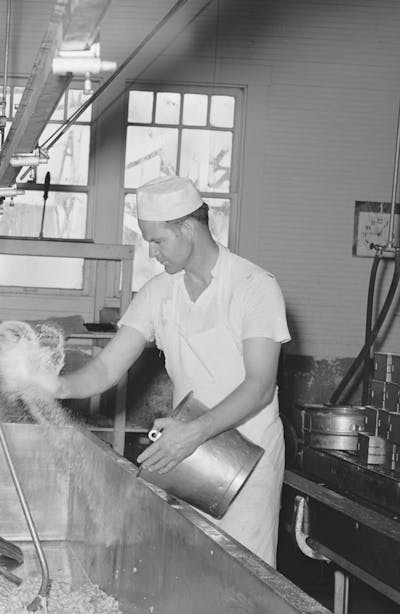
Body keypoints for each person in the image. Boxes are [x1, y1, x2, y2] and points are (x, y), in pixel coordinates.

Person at [21, 175, 290, 566]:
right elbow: (107, 367)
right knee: (186, 567)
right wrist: (54, 385)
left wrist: (193, 434)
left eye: (157, 241)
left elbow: (260, 387)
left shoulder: (253, 287)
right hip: (188, 448)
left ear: (187, 228)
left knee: (244, 576)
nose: (151, 253)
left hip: (248, 453)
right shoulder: (160, 292)